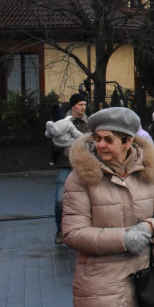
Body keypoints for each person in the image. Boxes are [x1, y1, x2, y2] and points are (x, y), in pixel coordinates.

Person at [61, 107, 154, 307]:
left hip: (149, 281)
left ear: (128, 142)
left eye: (109, 140)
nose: (100, 145)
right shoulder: (80, 178)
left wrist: (147, 230)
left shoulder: (151, 172)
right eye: (97, 139)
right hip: (103, 287)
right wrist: (123, 238)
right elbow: (72, 232)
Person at [48, 93, 88, 245]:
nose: (83, 107)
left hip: (83, 164)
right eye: (80, 105)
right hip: (65, 163)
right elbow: (50, 141)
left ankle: (81, 229)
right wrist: (62, 147)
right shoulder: (61, 121)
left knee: (85, 198)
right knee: (60, 199)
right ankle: (60, 229)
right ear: (72, 106)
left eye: (84, 105)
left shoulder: (88, 122)